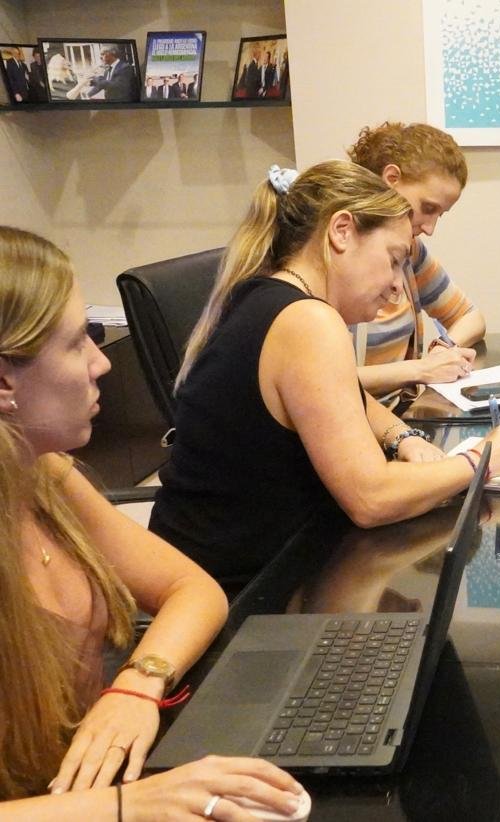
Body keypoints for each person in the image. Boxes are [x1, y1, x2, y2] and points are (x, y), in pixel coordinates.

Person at [0, 226, 304, 817]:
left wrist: (138, 683)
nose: (101, 363)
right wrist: (129, 806)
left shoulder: (46, 475)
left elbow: (193, 588)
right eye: (77, 343)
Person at [149, 161, 500, 586]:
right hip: (238, 591)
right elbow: (371, 499)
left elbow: (346, 394)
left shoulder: (267, 295)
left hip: (216, 566)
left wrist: (402, 437)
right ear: (342, 231)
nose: (397, 286)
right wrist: (480, 461)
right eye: (393, 260)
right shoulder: (308, 321)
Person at [346, 122, 486, 401]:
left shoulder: (412, 252)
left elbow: (471, 318)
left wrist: (443, 347)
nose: (430, 228)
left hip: (397, 415)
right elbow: (324, 381)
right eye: (427, 208)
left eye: (439, 214)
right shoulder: (337, 259)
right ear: (391, 179)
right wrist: (421, 370)